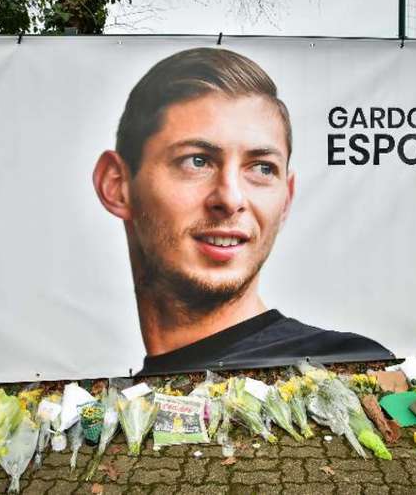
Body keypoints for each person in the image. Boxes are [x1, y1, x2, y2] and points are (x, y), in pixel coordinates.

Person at [93, 47, 393, 375]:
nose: (231, 198)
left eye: (262, 168)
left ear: (286, 199)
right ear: (117, 184)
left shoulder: (346, 367)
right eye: (197, 161)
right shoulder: (113, 400)